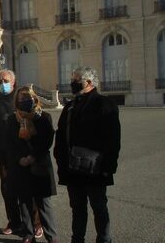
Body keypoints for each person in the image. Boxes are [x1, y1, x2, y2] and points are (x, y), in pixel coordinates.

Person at [54, 67, 121, 243]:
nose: (73, 83)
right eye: (72, 79)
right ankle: (77, 239)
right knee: (77, 208)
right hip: (72, 168)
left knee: (99, 207)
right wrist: (61, 163)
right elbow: (61, 136)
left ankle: (104, 239)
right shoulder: (70, 106)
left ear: (89, 82)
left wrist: (108, 166)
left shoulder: (104, 104)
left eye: (77, 80)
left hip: (96, 168)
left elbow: (113, 139)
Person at [6, 87, 58, 243]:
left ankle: (52, 236)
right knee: (24, 202)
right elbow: (10, 142)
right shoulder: (12, 119)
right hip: (21, 165)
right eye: (21, 99)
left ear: (35, 99)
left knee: (44, 203)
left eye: (28, 98)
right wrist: (20, 158)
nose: (24, 101)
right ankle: (28, 234)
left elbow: (47, 140)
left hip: (39, 163)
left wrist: (33, 156)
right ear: (17, 102)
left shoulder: (44, 117)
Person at [0, 69, 23, 235]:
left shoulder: (21, 96)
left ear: (13, 82)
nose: (3, 84)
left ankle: (35, 223)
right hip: (1, 150)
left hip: (21, 150)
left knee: (25, 187)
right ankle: (13, 221)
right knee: (7, 187)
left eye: (5, 81)